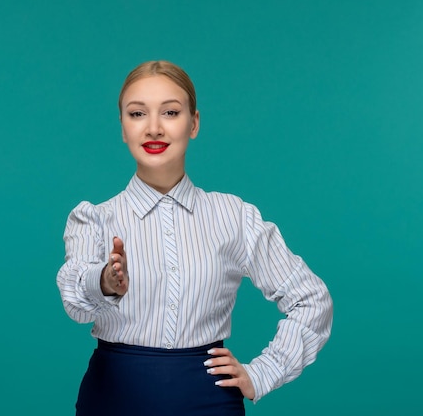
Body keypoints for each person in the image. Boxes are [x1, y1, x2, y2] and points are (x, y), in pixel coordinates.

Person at [56, 60, 333, 416]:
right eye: (137, 113)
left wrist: (264, 372)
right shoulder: (94, 218)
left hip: (209, 400)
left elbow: (312, 300)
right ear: (123, 128)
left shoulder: (234, 217)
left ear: (194, 123)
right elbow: (74, 303)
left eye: (170, 112)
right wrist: (106, 281)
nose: (153, 128)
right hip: (113, 397)